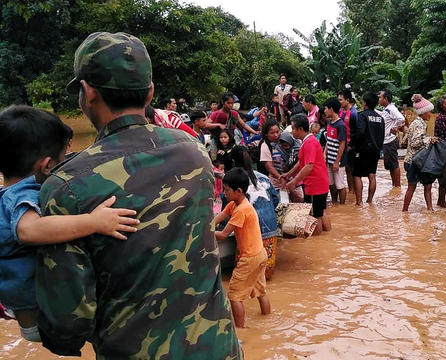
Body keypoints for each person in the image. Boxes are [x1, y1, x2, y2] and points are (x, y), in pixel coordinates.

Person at [36, 32, 241, 357]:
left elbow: (67, 325)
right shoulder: (194, 152)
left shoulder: (65, 187)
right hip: (219, 348)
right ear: (150, 92)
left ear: (87, 92)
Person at [0, 106, 138, 343]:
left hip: (24, 311)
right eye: (63, 160)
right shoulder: (22, 195)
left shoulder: (6, 193)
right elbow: (28, 231)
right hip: (43, 317)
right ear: (47, 166)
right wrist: (93, 222)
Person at [214, 168, 271, 327]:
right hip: (260, 254)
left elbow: (224, 235)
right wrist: (209, 225)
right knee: (260, 291)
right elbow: (219, 218)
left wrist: (205, 232)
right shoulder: (235, 204)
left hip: (250, 258)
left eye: (226, 190)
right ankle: (268, 320)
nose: (223, 193)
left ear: (238, 191)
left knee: (234, 295)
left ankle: (241, 330)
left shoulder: (241, 210)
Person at [228, 146, 281, 280]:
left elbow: (229, 207)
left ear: (234, 162)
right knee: (265, 275)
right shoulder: (263, 177)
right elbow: (276, 201)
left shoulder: (234, 182)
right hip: (270, 227)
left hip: (250, 232)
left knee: (244, 276)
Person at [283, 114, 331, 235]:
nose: (292, 131)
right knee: (321, 212)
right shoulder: (309, 141)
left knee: (314, 216)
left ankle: (318, 244)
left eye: (293, 128)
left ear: (300, 129)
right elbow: (301, 163)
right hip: (319, 183)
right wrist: (288, 174)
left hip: (315, 185)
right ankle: (328, 239)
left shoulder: (308, 143)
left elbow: (308, 166)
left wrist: (293, 182)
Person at [402, 94, 436, 212]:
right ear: (423, 112)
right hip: (415, 162)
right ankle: (406, 210)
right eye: (429, 112)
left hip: (412, 160)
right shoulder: (420, 124)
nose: (430, 114)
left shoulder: (415, 123)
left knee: (425, 185)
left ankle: (409, 211)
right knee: (414, 187)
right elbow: (416, 142)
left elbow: (404, 140)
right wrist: (429, 139)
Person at [351, 91, 385, 205]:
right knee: (372, 175)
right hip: (375, 150)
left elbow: (360, 132)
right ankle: (370, 201)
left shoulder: (362, 115)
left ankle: (359, 202)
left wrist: (353, 144)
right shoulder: (380, 118)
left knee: (357, 175)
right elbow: (382, 135)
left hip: (362, 150)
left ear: (364, 103)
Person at [378, 89, 405, 188]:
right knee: (390, 165)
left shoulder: (391, 109)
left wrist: (395, 128)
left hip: (390, 140)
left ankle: (397, 186)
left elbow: (401, 118)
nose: (379, 99)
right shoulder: (386, 109)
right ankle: (394, 185)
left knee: (394, 164)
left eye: (380, 97)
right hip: (387, 141)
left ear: (385, 99)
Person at [324, 97, 348, 204]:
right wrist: (324, 154)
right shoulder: (329, 123)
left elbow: (342, 144)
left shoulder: (341, 125)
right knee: (331, 183)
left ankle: (342, 205)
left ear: (331, 109)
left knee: (340, 184)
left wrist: (337, 162)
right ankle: (334, 203)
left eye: (326, 109)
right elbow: (328, 141)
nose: (324, 111)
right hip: (329, 158)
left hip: (338, 160)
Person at [338, 89, 357, 192]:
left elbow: (357, 132)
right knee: (347, 170)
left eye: (341, 100)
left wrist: (352, 145)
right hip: (343, 145)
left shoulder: (354, 113)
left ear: (347, 100)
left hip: (351, 146)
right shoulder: (340, 111)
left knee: (352, 171)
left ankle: (353, 191)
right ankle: (351, 192)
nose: (339, 102)